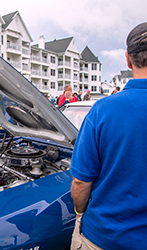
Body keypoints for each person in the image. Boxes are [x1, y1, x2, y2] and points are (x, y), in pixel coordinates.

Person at [70, 22, 147, 250]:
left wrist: (79, 213)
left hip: (105, 236)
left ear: (127, 59)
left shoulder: (103, 110)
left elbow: (80, 182)